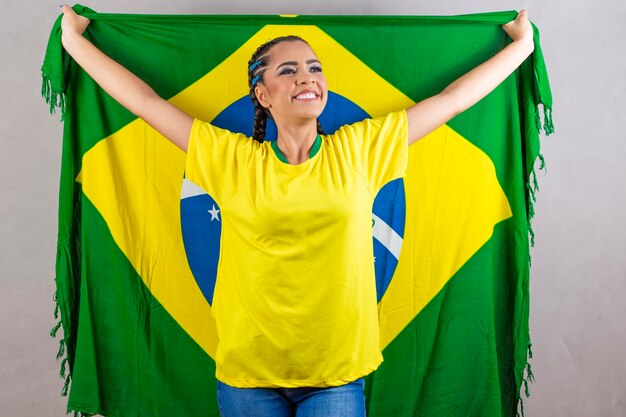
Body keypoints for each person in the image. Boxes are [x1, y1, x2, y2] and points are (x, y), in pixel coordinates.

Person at [59, 5, 534, 417]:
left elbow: (450, 102)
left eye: (314, 67)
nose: (307, 76)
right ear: (262, 94)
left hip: (336, 375)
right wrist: (74, 41)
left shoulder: (361, 150)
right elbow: (144, 102)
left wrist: (521, 48)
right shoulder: (231, 160)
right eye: (288, 70)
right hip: (248, 378)